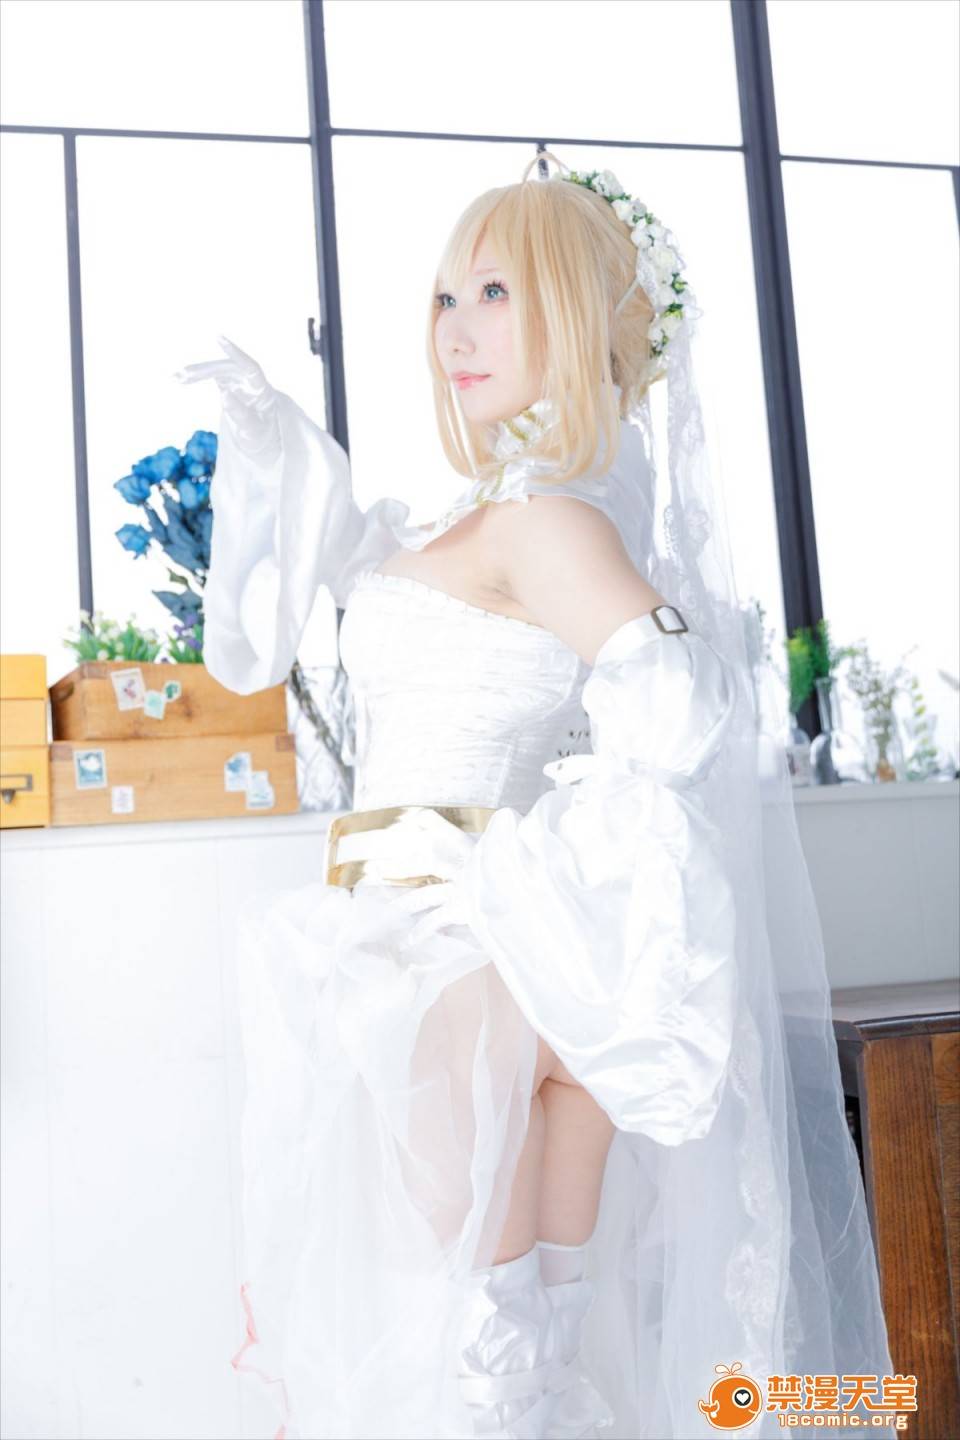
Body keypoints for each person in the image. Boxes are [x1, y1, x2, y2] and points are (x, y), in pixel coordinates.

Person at [176, 151, 893, 1440]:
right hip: (433, 954)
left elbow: (678, 708)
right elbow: (352, 573)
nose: (456, 330)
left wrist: (538, 874)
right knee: (520, 1351)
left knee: (473, 1355)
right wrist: (273, 443)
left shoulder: (548, 525)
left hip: (457, 967)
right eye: (446, 298)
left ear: (574, 310)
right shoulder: (476, 519)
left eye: (496, 292)